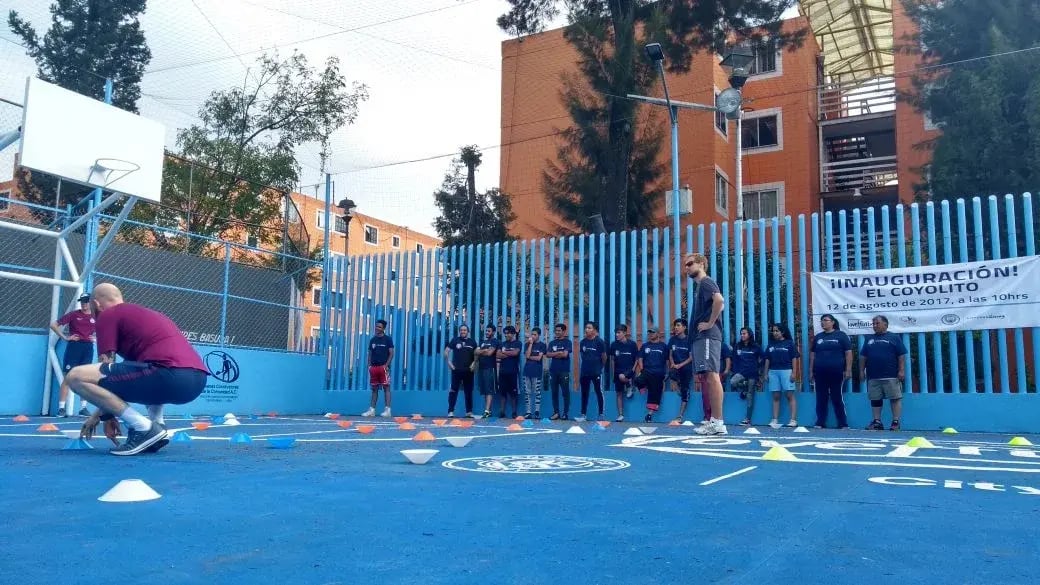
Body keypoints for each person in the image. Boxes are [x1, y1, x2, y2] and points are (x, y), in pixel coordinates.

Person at [70, 283, 208, 456]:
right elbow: (124, 380)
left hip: (168, 375)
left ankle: (144, 428)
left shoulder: (108, 314)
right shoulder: (147, 316)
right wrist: (101, 415)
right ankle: (157, 426)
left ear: (96, 304)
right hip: (196, 381)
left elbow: (103, 372)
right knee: (144, 373)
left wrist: (105, 417)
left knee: (76, 376)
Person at [685, 253, 728, 436]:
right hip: (702, 338)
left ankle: (718, 422)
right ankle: (714, 421)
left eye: (689, 263)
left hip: (708, 336)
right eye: (685, 265)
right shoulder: (701, 287)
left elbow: (720, 301)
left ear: (701, 263)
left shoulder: (706, 282)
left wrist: (710, 323)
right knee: (708, 378)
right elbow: (720, 305)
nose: (686, 267)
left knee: (712, 375)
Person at [50, 293, 95, 417]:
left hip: (88, 348)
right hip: (74, 347)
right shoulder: (74, 314)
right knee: (68, 377)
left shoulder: (96, 316)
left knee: (84, 378)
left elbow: (106, 329)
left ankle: (83, 408)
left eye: (86, 301)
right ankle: (61, 408)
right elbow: (53, 325)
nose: (84, 304)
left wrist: (95, 338)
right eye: (82, 301)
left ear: (91, 302)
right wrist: (65, 337)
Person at [860, 314, 907, 430]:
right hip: (873, 375)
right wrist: (861, 371)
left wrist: (901, 370)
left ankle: (895, 422)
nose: (874, 326)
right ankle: (877, 422)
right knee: (875, 399)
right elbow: (863, 356)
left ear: (885, 324)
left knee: (895, 398)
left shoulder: (894, 337)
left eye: (877, 323)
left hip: (890, 375)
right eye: (873, 324)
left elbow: (901, 355)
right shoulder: (868, 338)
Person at [809, 314, 852, 429]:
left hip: (837, 372)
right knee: (821, 397)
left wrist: (848, 369)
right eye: (822, 321)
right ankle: (820, 422)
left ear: (833, 322)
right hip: (820, 372)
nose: (823, 322)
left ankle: (843, 423)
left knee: (837, 397)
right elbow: (813, 355)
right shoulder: (818, 337)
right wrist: (811, 371)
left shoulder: (841, 336)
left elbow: (848, 353)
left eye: (826, 320)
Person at [763, 322, 801, 428]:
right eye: (773, 331)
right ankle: (775, 419)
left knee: (789, 395)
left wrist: (794, 372)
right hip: (773, 372)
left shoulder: (789, 343)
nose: (774, 333)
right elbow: (767, 359)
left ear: (782, 332)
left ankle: (793, 420)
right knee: (775, 396)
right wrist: (766, 373)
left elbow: (794, 358)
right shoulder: (771, 344)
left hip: (786, 371)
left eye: (777, 331)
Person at [635, 326, 669, 422]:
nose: (650, 334)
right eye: (649, 333)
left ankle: (649, 415)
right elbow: (640, 358)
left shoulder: (663, 346)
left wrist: (666, 372)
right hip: (647, 371)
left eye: (652, 332)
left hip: (658, 373)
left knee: (654, 394)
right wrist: (641, 369)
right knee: (637, 380)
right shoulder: (645, 345)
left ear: (658, 334)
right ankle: (644, 386)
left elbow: (667, 361)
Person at [731, 327, 764, 426]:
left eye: (744, 333)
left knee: (750, 396)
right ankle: (744, 390)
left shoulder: (756, 346)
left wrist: (758, 368)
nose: (742, 335)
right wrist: (735, 370)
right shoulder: (738, 346)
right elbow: (734, 359)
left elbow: (763, 358)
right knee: (733, 382)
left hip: (752, 373)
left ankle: (747, 419)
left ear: (749, 334)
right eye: (741, 333)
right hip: (741, 372)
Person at [443, 325, 478, 418]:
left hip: (469, 371)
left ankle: (469, 412)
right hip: (456, 370)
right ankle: (450, 411)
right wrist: (449, 363)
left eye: (465, 330)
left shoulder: (472, 342)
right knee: (453, 391)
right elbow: (446, 351)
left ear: (468, 331)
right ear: (459, 331)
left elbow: (477, 354)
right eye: (461, 330)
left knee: (468, 392)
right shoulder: (455, 340)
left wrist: (474, 363)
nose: (463, 331)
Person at [362, 319, 394, 418]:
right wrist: (369, 366)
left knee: (386, 388)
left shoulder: (388, 339)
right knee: (374, 389)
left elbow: (391, 353)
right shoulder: (373, 340)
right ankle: (372, 410)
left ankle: (388, 410)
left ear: (383, 328)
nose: (377, 328)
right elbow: (370, 354)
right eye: (376, 326)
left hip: (383, 367)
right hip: (374, 368)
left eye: (379, 327)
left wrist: (386, 365)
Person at [577, 321, 607, 422]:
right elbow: (582, 355)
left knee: (599, 391)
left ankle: (601, 414)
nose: (587, 330)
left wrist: (599, 367)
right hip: (585, 371)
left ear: (594, 330)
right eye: (586, 328)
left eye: (589, 328)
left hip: (596, 371)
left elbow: (604, 357)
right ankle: (583, 414)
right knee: (584, 393)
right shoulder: (583, 342)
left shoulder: (599, 341)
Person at [609, 324, 639, 422]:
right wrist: (613, 372)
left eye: (619, 333)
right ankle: (621, 414)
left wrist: (634, 369)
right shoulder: (614, 345)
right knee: (619, 393)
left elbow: (636, 358)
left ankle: (630, 384)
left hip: (629, 371)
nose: (617, 335)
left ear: (625, 333)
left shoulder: (632, 344)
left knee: (622, 376)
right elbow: (612, 359)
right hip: (618, 371)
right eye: (616, 333)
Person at [667, 318, 693, 423]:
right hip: (675, 368)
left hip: (686, 368)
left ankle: (680, 415)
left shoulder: (689, 340)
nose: (676, 328)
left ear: (684, 327)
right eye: (675, 326)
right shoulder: (672, 340)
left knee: (685, 392)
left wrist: (680, 365)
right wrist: (673, 364)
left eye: (678, 325)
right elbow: (670, 355)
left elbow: (691, 357)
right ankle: (678, 386)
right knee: (670, 374)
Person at [546, 323, 573, 420]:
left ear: (564, 331)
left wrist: (554, 354)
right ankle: (556, 413)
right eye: (556, 330)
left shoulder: (568, 342)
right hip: (553, 371)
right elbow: (548, 354)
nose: (557, 332)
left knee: (565, 392)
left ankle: (565, 413)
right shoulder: (552, 343)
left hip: (564, 371)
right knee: (554, 392)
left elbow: (565, 355)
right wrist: (558, 353)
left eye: (559, 330)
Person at [496, 325, 523, 418]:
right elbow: (498, 355)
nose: (506, 335)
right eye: (505, 333)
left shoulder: (518, 343)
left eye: (508, 333)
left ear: (513, 334)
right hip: (503, 372)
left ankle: (514, 412)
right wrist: (509, 354)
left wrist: (504, 353)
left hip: (513, 372)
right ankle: (502, 412)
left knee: (513, 393)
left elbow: (516, 353)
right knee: (502, 393)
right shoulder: (502, 344)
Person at [476, 325, 501, 418]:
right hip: (481, 368)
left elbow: (490, 353)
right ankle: (488, 411)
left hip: (490, 368)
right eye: (486, 331)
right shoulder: (482, 342)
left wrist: (482, 351)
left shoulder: (495, 341)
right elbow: (476, 352)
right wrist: (485, 351)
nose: (487, 332)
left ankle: (486, 411)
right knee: (485, 390)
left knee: (489, 390)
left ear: (493, 332)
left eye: (489, 331)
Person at [522, 328, 547, 419]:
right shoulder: (527, 344)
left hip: (537, 372)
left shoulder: (542, 345)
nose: (532, 336)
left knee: (537, 392)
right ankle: (528, 412)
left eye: (535, 334)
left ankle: (537, 412)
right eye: (531, 334)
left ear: (539, 335)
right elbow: (527, 355)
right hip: (527, 372)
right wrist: (531, 344)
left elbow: (538, 358)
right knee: (527, 392)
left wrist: (530, 357)